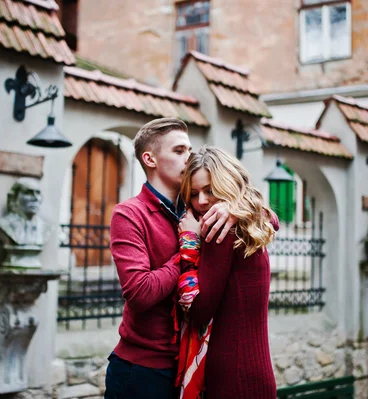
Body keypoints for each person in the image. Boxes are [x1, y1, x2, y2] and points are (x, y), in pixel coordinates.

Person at [105, 119, 236, 399]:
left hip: (191, 366)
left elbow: (269, 221)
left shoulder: (200, 206)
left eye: (190, 150)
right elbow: (139, 292)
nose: (189, 158)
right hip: (141, 371)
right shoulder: (129, 214)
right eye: (179, 151)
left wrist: (235, 210)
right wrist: (190, 246)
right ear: (150, 159)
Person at [176, 146, 279, 399]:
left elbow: (199, 311)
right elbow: (273, 218)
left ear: (227, 184)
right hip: (257, 374)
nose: (201, 201)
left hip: (232, 379)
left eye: (209, 190)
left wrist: (190, 240)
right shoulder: (249, 223)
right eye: (193, 194)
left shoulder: (219, 231)